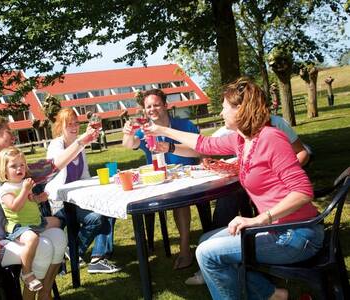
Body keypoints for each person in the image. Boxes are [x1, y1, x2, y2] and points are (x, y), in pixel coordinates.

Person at [144, 77, 322, 300]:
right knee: (205, 241)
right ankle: (272, 294)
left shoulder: (271, 138)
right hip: (278, 229)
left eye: (225, 108)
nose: (221, 113)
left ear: (241, 110)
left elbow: (303, 191)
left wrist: (258, 220)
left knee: (207, 254)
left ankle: (267, 294)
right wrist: (162, 130)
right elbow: (203, 144)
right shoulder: (242, 140)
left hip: (296, 234)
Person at [0, 115, 98, 300]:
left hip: (11, 235)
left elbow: (51, 166)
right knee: (44, 246)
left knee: (58, 237)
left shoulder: (12, 167)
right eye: (9, 132)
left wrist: (82, 141)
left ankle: (44, 294)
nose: (14, 137)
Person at [122, 88, 212, 270]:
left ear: (165, 105)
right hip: (160, 179)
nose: (152, 109)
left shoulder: (184, 125)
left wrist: (170, 147)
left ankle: (185, 249)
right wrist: (128, 133)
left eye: (156, 105)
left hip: (189, 176)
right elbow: (129, 144)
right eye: (148, 106)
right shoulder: (145, 129)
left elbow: (201, 150)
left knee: (180, 199)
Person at [46, 108, 121, 274]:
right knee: (97, 217)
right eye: (69, 124)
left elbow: (85, 175)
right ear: (60, 127)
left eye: (76, 123)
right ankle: (74, 250)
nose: (74, 127)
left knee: (110, 208)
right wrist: (81, 141)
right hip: (60, 203)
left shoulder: (80, 147)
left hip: (78, 199)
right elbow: (60, 162)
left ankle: (98, 258)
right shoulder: (56, 146)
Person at [0, 146, 62, 291]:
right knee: (32, 239)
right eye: (13, 166)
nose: (19, 169)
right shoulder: (6, 189)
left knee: (57, 221)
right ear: (4, 170)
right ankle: (27, 273)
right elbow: (15, 206)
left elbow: (30, 200)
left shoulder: (24, 183)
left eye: (22, 165)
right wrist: (25, 190)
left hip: (35, 222)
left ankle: (61, 255)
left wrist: (39, 198)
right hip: (20, 227)